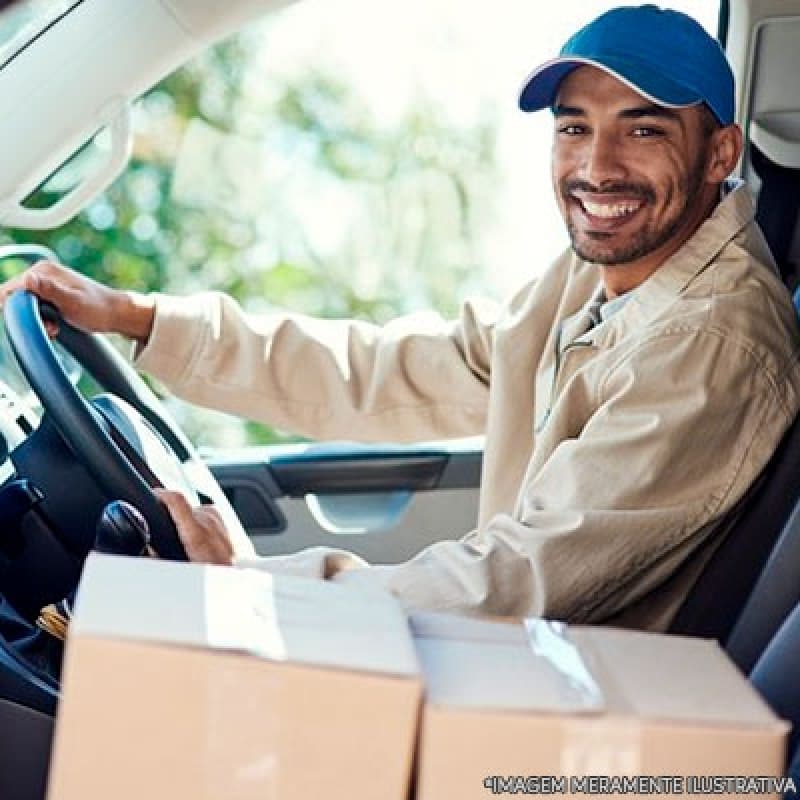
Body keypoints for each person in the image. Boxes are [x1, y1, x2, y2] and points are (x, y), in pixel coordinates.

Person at [2, 4, 800, 631]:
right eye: (574, 128)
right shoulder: (611, 264)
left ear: (721, 154)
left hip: (566, 716)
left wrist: (249, 589)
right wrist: (143, 319)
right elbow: (400, 368)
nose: (597, 167)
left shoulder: (711, 342)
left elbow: (519, 580)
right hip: (514, 657)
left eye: (644, 129)